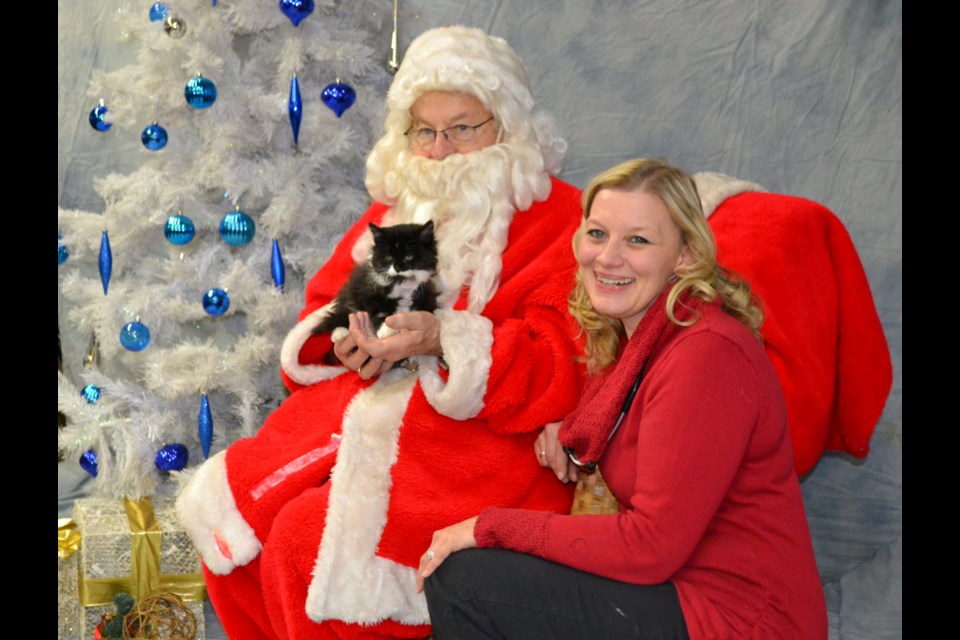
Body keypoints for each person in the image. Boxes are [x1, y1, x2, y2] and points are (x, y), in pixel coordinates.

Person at [175, 25, 586, 640]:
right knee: (234, 540)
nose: (442, 150)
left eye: (463, 128)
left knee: (303, 539)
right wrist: (345, 346)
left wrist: (444, 340)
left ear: (507, 127)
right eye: (426, 131)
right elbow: (323, 310)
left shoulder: (566, 220)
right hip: (354, 422)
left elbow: (567, 357)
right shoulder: (395, 212)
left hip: (477, 448)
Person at [418, 158, 829, 639]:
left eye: (638, 240)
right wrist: (573, 432)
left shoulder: (707, 353)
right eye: (597, 234)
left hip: (736, 619)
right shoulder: (645, 343)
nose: (608, 257)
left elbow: (649, 547)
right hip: (678, 596)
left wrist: (493, 527)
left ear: (685, 255)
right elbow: (641, 431)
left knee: (466, 583)